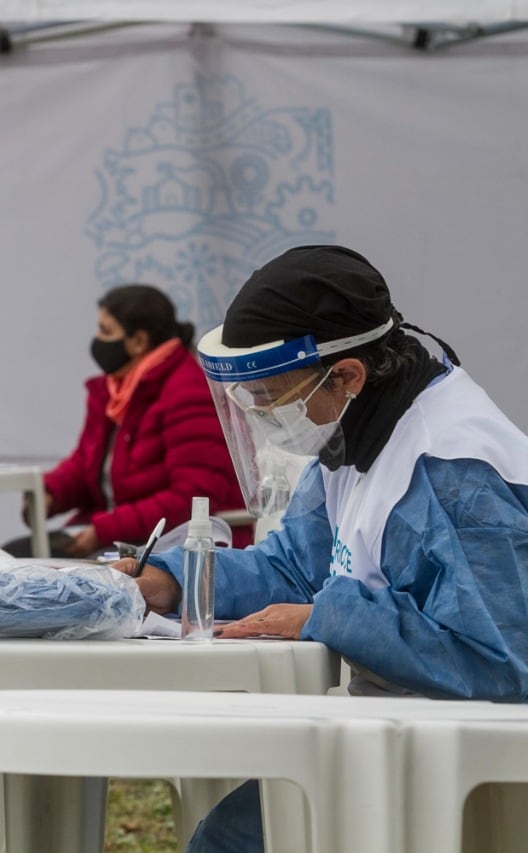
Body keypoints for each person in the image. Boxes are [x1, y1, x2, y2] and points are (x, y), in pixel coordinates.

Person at [120, 245, 528, 853]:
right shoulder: (358, 427)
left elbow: (502, 659)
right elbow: (295, 564)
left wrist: (326, 616)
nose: (261, 416)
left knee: (231, 842)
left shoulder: (450, 474)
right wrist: (171, 580)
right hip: (406, 727)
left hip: (471, 764)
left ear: (347, 375)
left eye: (272, 396)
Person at [6, 284, 248, 558]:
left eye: (106, 331)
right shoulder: (116, 391)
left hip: (171, 546)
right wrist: (50, 493)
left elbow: (193, 497)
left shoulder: (189, 392)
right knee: (12, 558)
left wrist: (103, 530)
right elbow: (88, 464)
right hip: (124, 536)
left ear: (138, 342)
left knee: (24, 567)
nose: (97, 339)